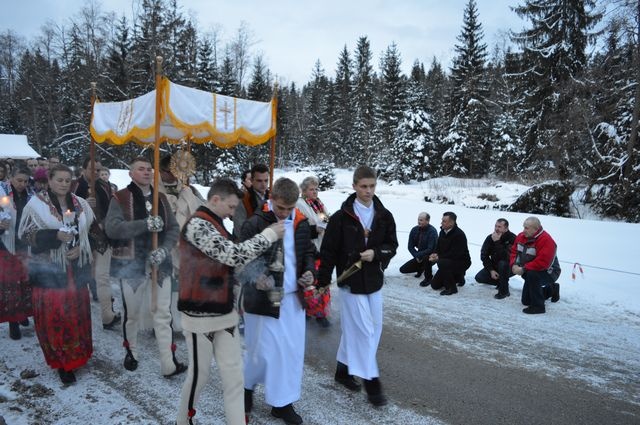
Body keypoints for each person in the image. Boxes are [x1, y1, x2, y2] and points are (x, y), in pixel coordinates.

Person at [176, 178, 284, 425]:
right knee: (199, 377)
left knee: (234, 378)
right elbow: (230, 254)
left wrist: (255, 277)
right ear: (216, 200)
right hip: (199, 315)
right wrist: (268, 235)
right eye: (232, 207)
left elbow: (227, 265)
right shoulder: (197, 225)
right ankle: (184, 421)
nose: (233, 213)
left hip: (225, 313)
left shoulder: (218, 224)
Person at [318, 165, 398, 407]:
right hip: (349, 282)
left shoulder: (384, 215)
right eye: (363, 186)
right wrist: (323, 281)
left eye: (372, 186)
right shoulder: (341, 217)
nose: (368, 191)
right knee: (363, 331)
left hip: (374, 281)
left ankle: (343, 371)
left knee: (374, 328)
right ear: (353, 186)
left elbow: (392, 245)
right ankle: (372, 384)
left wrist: (377, 252)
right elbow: (328, 251)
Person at [238, 177, 316, 425]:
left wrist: (308, 272)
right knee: (260, 350)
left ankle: (282, 403)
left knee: (289, 353)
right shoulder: (255, 224)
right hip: (262, 300)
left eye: (289, 209)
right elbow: (240, 258)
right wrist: (256, 277)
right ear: (271, 200)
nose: (284, 213)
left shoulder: (301, 224)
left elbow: (307, 253)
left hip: (293, 299)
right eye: (280, 207)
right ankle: (246, 390)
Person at [105, 156, 187, 377]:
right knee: (131, 314)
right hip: (130, 265)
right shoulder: (119, 198)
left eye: (150, 169)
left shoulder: (161, 198)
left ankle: (168, 362)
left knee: (163, 314)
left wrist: (164, 249)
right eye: (141, 169)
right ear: (131, 173)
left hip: (159, 264)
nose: (147, 172)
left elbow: (173, 228)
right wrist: (143, 225)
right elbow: (112, 229)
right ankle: (131, 351)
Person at [18, 164, 95, 384]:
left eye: (67, 180)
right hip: (50, 271)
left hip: (76, 268)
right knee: (56, 317)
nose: (63, 184)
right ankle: (62, 362)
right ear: (49, 181)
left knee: (77, 314)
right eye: (59, 180)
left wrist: (82, 246)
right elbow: (25, 235)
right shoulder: (36, 204)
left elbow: (93, 232)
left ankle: (78, 355)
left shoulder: (80, 203)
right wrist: (54, 236)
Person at [0, 167, 34, 340]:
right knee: (11, 285)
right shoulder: (2, 193)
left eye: (25, 181)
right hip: (6, 244)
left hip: (23, 243)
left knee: (24, 282)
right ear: (11, 177)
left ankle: (22, 313)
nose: (22, 184)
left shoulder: (30, 195)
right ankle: (13, 322)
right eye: (19, 180)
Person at [295, 175, 332, 327]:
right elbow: (299, 227)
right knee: (311, 283)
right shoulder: (299, 204)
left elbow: (325, 218)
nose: (315, 192)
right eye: (311, 189)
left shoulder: (318, 203)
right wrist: (314, 229)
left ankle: (321, 312)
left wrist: (326, 224)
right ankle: (310, 311)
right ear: (304, 191)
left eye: (316, 189)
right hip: (308, 247)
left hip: (321, 245)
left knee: (323, 280)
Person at [511, 216, 561, 314]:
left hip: (549, 272)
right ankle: (552, 290)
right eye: (523, 227)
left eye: (526, 228)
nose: (523, 230)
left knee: (532, 274)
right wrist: (514, 264)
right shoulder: (521, 236)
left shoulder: (546, 240)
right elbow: (514, 252)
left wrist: (523, 269)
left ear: (536, 229)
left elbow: (543, 263)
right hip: (530, 270)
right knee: (526, 301)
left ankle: (538, 306)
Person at [428, 212, 471, 296]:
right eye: (442, 220)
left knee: (442, 263)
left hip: (461, 262)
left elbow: (456, 254)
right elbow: (438, 247)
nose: (441, 223)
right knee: (435, 285)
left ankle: (451, 288)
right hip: (447, 261)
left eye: (444, 221)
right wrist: (435, 254)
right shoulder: (442, 232)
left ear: (452, 222)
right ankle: (458, 277)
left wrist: (438, 257)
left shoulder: (459, 235)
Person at [475, 218, 516, 299]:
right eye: (496, 226)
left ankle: (504, 287)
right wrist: (491, 270)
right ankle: (501, 281)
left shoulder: (512, 238)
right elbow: (484, 255)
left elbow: (507, 257)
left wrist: (497, 242)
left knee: (502, 263)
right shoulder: (490, 238)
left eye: (499, 227)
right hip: (495, 266)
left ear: (506, 228)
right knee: (479, 278)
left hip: (509, 267)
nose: (496, 228)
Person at [398, 212, 438, 286]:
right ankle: (421, 268)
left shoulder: (432, 231)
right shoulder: (414, 230)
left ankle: (428, 278)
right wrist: (416, 256)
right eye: (418, 220)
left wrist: (419, 255)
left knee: (426, 258)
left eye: (421, 220)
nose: (419, 222)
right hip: (419, 256)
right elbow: (410, 246)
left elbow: (430, 249)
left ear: (427, 221)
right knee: (403, 269)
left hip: (430, 257)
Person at [233, 163, 270, 239]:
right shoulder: (243, 200)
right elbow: (240, 230)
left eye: (266, 181)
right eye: (259, 181)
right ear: (252, 180)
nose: (263, 184)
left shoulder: (272, 198)